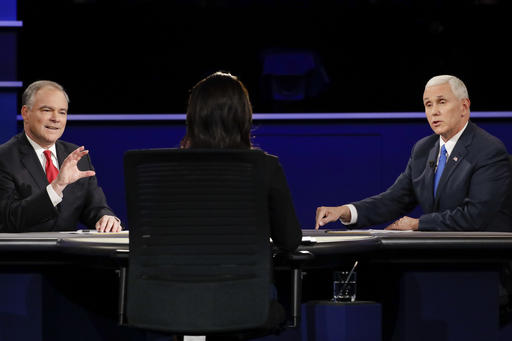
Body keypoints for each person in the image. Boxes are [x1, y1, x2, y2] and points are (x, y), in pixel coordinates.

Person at [315, 75, 512, 231]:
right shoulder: (423, 149)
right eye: (428, 104)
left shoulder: (488, 150)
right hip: (436, 256)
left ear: (464, 107)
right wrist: (346, 211)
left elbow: (475, 215)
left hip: (483, 262)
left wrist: (418, 224)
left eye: (442, 102)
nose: (434, 111)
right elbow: (395, 199)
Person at [181, 71, 302, 250]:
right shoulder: (265, 167)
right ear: (244, 116)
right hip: (246, 277)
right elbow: (289, 240)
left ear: (193, 117)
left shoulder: (165, 169)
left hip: (177, 277)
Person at [0, 80, 121, 233]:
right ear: (26, 113)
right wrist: (57, 187)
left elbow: (95, 207)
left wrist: (106, 217)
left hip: (70, 254)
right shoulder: (4, 158)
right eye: (46, 110)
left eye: (62, 112)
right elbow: (9, 219)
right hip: (24, 254)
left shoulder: (76, 156)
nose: (56, 118)